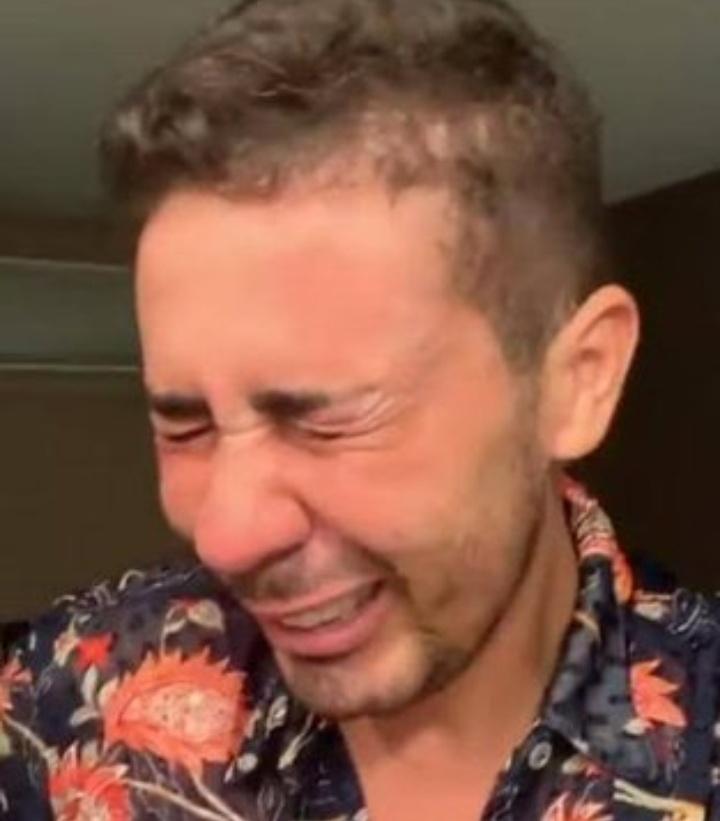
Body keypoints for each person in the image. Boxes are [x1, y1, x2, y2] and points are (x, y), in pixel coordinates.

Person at [1, 1, 718, 818]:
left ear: (578, 381)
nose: (227, 534)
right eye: (184, 424)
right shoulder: (62, 698)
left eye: (326, 419)